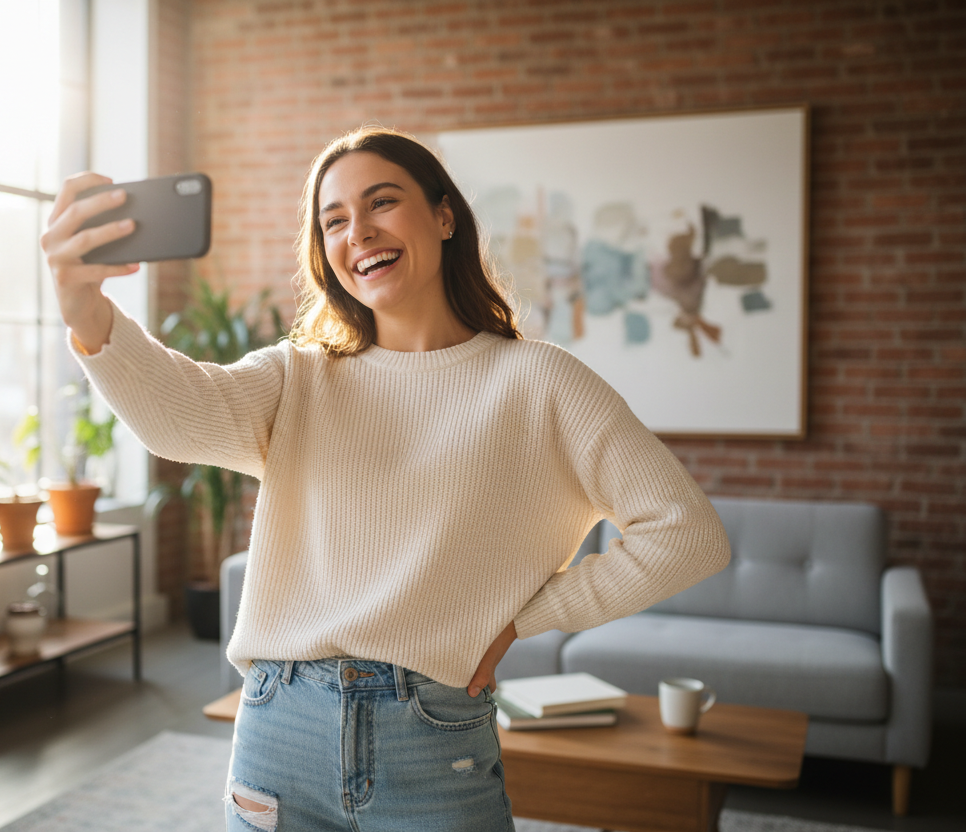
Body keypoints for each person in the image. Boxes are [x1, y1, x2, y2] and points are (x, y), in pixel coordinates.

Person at [41, 126, 731, 832]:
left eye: (381, 203)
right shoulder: (299, 375)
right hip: (280, 729)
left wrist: (529, 617)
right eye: (333, 219)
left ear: (443, 216)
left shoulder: (540, 382)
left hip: (431, 737)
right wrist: (85, 309)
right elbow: (176, 419)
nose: (358, 231)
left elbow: (687, 536)